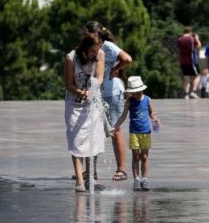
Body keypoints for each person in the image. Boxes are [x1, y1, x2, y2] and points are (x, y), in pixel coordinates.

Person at [83, 21, 132, 182]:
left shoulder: (108, 46)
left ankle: (121, 170)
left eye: (86, 33)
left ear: (94, 33)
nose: (84, 36)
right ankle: (91, 171)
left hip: (112, 92)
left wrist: (114, 70)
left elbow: (127, 59)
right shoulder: (89, 48)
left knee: (114, 130)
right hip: (98, 92)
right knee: (94, 130)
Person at [64, 34, 105, 192]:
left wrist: (92, 89)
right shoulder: (71, 58)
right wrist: (80, 92)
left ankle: (91, 177)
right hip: (74, 104)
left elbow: (100, 77)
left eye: (97, 50)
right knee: (77, 141)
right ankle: (79, 181)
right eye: (93, 51)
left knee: (93, 139)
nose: (95, 53)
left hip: (93, 102)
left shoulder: (100, 54)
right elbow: (68, 84)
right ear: (85, 48)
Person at [111, 76, 159, 191]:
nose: (135, 95)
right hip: (134, 133)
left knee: (145, 156)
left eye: (137, 93)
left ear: (141, 90)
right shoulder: (129, 101)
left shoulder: (147, 99)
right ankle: (136, 179)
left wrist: (155, 118)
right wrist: (115, 126)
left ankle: (145, 179)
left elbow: (151, 113)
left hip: (146, 132)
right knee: (136, 156)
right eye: (133, 93)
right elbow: (123, 115)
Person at [177, 26, 202, 99]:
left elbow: (179, 48)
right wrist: (197, 38)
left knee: (186, 77)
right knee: (197, 75)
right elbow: (199, 46)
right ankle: (193, 92)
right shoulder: (192, 38)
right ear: (190, 32)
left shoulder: (179, 39)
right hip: (192, 61)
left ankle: (186, 94)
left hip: (183, 61)